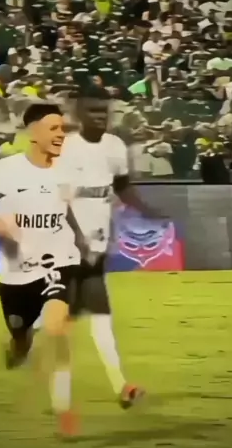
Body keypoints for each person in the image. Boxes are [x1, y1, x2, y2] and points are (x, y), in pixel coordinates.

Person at [0, 103, 85, 437]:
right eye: (54, 128)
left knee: (57, 327)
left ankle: (64, 409)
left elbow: (74, 213)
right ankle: (18, 343)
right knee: (19, 341)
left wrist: (86, 241)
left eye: (63, 129)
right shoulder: (6, 171)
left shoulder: (69, 171)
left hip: (60, 261)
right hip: (16, 272)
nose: (61, 134)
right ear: (33, 132)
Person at [42, 87, 163, 412]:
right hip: (64, 247)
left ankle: (120, 387)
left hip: (94, 248)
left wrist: (147, 209)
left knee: (99, 316)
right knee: (66, 325)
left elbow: (121, 186)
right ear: (78, 113)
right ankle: (61, 399)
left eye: (103, 111)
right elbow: (57, 201)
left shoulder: (114, 147)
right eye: (93, 110)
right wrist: (77, 239)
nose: (100, 116)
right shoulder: (64, 148)